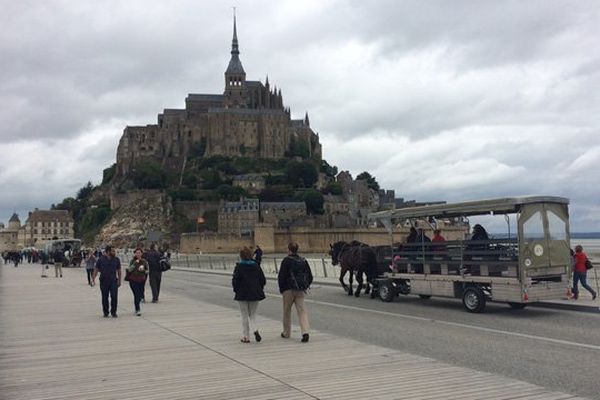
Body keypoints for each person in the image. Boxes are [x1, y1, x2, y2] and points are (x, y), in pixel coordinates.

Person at [278, 242, 313, 343]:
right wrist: (305, 286)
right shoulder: (303, 260)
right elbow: (310, 276)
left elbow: (281, 276)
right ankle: (305, 332)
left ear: (289, 250)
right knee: (302, 312)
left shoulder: (286, 261)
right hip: (300, 290)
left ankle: (286, 332)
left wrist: (282, 289)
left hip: (288, 290)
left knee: (287, 311)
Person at [232, 246, 266, 343]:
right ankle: (255, 329)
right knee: (253, 314)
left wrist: (236, 290)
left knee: (244, 315)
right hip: (255, 293)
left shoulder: (239, 267)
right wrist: (259, 288)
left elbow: (235, 281)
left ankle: (246, 336)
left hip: (242, 293)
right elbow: (262, 280)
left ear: (241, 256)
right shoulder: (256, 266)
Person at [92, 245, 122, 318]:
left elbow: (119, 270)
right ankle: (105, 312)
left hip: (113, 281)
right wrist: (93, 279)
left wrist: (119, 280)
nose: (114, 252)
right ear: (108, 252)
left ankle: (113, 312)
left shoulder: (116, 259)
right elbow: (96, 269)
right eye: (113, 251)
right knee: (105, 297)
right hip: (104, 281)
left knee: (114, 296)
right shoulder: (101, 259)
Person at [126, 248, 149, 316]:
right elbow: (129, 270)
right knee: (136, 294)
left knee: (139, 295)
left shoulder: (144, 261)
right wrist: (135, 263)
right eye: (137, 253)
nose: (138, 254)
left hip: (141, 280)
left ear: (141, 254)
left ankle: (137, 307)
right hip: (133, 280)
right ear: (135, 254)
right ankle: (137, 309)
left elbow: (148, 271)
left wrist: (143, 270)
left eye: (139, 253)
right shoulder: (132, 261)